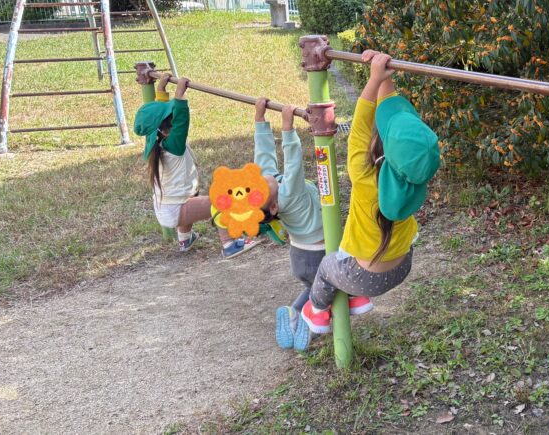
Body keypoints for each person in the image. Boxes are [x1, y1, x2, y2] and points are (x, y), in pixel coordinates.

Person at [300, 51, 441, 334]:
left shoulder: (363, 175)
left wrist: (374, 79)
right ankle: (355, 298)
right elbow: (389, 112)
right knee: (357, 253)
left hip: (362, 277)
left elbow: (361, 125)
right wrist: (383, 74)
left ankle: (316, 312)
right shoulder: (417, 173)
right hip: (401, 268)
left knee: (327, 266)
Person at [254, 99, 373, 351]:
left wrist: (260, 119)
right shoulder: (289, 195)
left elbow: (263, 156)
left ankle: (294, 313)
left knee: (314, 288)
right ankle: (311, 324)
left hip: (299, 255)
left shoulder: (270, 184)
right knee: (329, 288)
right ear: (273, 207)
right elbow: (293, 161)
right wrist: (287, 127)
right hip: (318, 254)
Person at [134, 75, 257, 257]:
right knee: (221, 199)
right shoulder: (174, 145)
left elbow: (159, 116)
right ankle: (229, 244)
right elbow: (182, 120)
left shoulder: (153, 142)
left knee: (191, 194)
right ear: (167, 128)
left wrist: (161, 89)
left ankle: (185, 239)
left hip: (167, 208)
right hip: (176, 209)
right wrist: (180, 95)